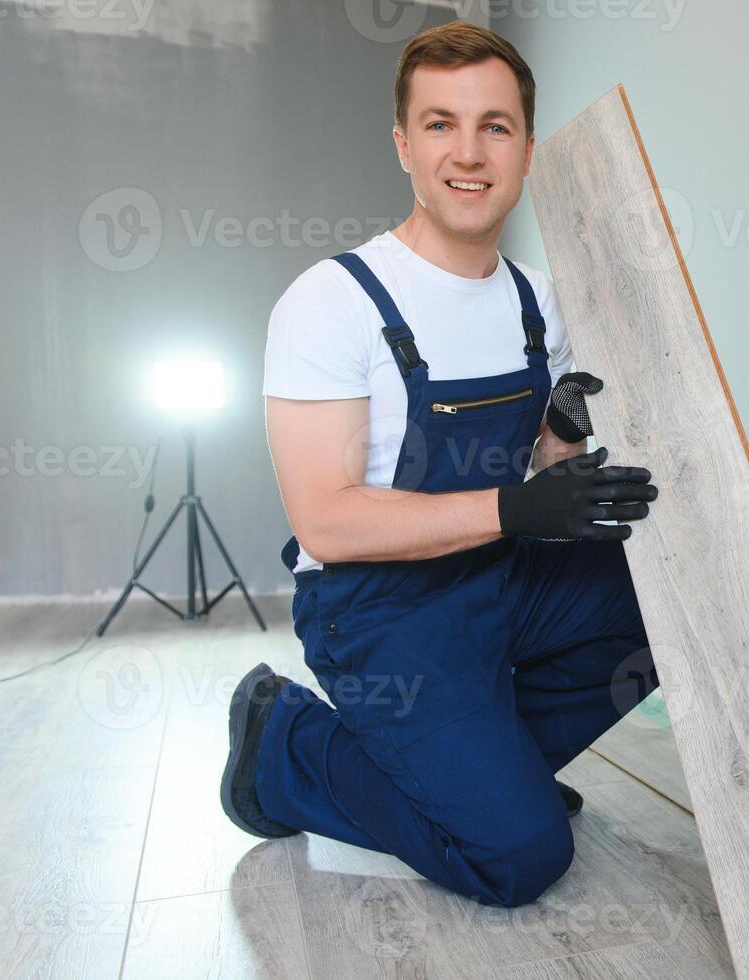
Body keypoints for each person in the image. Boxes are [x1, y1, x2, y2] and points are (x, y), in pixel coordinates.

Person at [220, 21, 661, 908]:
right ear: (402, 144)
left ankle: (492, 784)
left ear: (527, 149)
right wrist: (517, 510)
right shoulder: (333, 302)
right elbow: (327, 520)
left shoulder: (538, 298)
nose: (468, 152)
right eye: (439, 125)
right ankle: (285, 748)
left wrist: (561, 440)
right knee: (519, 862)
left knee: (669, 597)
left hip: (502, 582)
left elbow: (539, 471)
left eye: (494, 126)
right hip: (382, 613)